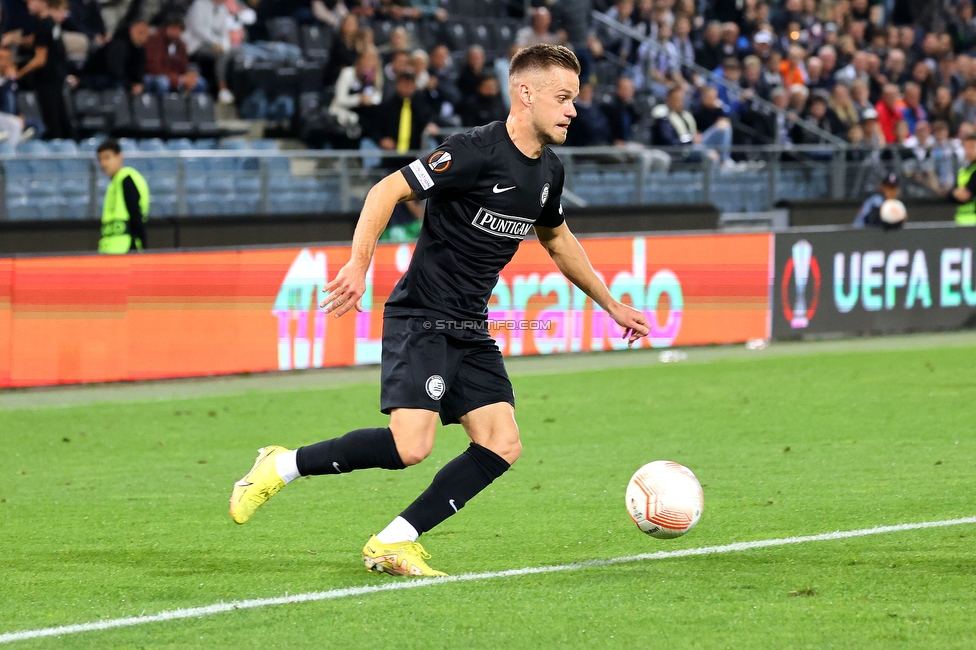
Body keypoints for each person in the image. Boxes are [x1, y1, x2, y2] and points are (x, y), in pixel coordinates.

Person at [228, 44, 650, 576]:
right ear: (526, 93)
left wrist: (611, 303)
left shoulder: (548, 173)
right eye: (564, 98)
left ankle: (393, 541)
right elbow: (386, 190)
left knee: (503, 443)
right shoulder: (473, 151)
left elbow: (559, 240)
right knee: (411, 446)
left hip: (470, 325)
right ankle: (282, 465)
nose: (573, 110)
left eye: (575, 100)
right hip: (421, 315)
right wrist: (360, 264)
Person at [96, 139, 150, 254]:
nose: (103, 164)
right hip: (110, 248)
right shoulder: (114, 183)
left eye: (107, 158)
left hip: (126, 246)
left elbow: (135, 212)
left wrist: (142, 244)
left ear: (119, 157)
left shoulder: (126, 179)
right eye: (100, 159)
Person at [183, 0, 235, 103]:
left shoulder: (223, 8)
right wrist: (215, 43)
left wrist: (224, 45)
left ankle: (230, 90)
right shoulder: (199, 4)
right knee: (222, 55)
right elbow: (198, 28)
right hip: (196, 43)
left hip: (216, 44)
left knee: (233, 53)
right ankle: (222, 88)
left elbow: (225, 32)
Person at [144, 14, 205, 94]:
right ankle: (161, 105)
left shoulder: (181, 45)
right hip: (155, 76)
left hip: (176, 78)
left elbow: (184, 66)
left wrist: (189, 77)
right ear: (165, 28)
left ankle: (191, 105)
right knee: (162, 82)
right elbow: (154, 68)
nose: (175, 32)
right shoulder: (154, 41)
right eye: (173, 28)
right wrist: (178, 79)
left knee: (200, 82)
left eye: (179, 29)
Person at [950, 132, 976, 227]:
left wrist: (958, 193)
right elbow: (952, 193)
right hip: (961, 220)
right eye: (966, 148)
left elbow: (968, 193)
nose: (968, 151)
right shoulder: (962, 170)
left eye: (972, 147)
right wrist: (954, 193)